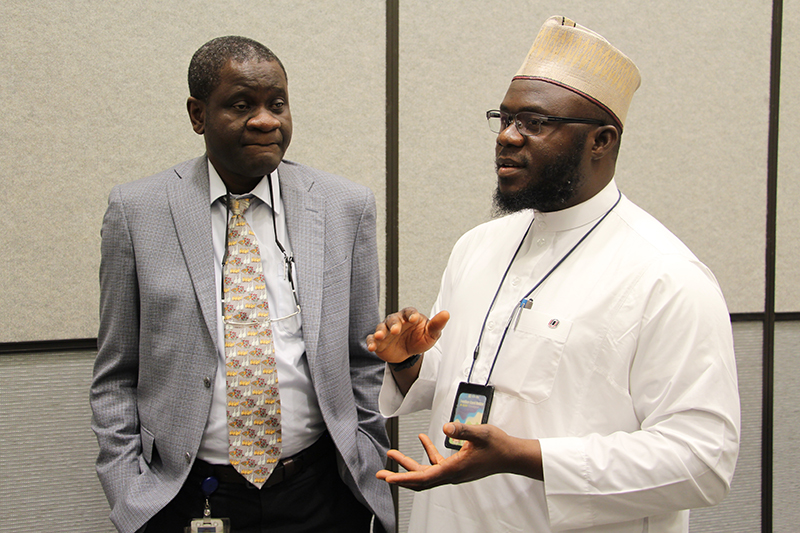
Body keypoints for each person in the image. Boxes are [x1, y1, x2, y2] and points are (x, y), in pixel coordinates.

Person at [367, 16, 740, 533]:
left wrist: (525, 456)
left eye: (534, 123)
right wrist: (408, 361)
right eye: (503, 118)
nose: (506, 137)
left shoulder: (667, 276)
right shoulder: (478, 246)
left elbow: (704, 462)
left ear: (601, 141)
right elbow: (456, 386)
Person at [91, 36, 394, 533]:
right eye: (241, 105)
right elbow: (116, 374)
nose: (266, 120)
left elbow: (363, 357)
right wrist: (129, 492)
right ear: (197, 114)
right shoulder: (137, 212)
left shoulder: (345, 207)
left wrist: (366, 450)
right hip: (188, 494)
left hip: (319, 490)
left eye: (277, 104)